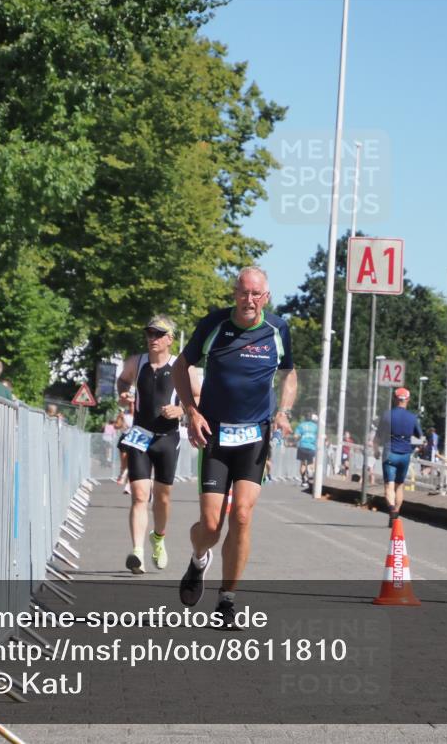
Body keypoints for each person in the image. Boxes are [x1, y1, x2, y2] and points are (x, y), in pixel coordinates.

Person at [172, 266, 297, 627]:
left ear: (266, 297)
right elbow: (182, 366)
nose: (250, 300)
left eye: (256, 294)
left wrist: (284, 411)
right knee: (211, 527)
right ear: (234, 293)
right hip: (215, 436)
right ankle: (198, 558)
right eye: (244, 293)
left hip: (254, 436)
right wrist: (191, 412)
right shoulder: (213, 325)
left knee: (241, 515)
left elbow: (289, 372)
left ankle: (227, 600)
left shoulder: (278, 329)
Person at [116, 315, 201, 574]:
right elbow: (123, 380)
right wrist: (123, 393)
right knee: (140, 495)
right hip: (140, 435)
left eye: (158, 334)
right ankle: (137, 552)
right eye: (149, 333)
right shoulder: (136, 362)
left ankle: (159, 538)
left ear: (170, 339)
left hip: (167, 438)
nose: (152, 338)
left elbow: (198, 397)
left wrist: (181, 410)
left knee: (162, 499)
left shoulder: (182, 366)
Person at [375, 387, 424, 527]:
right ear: (407, 400)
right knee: (400, 486)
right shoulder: (413, 417)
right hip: (405, 455)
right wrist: (412, 448)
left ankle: (390, 508)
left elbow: (378, 437)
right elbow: (421, 438)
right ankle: (396, 513)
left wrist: (376, 451)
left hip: (390, 452)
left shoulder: (386, 415)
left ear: (395, 399)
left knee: (389, 486)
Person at [293, 413, 319, 488]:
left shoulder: (301, 425)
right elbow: (320, 436)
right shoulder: (315, 426)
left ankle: (303, 480)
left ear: (305, 418)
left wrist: (296, 440)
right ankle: (310, 478)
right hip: (311, 447)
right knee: (311, 463)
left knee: (303, 464)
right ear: (311, 418)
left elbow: (296, 436)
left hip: (302, 446)